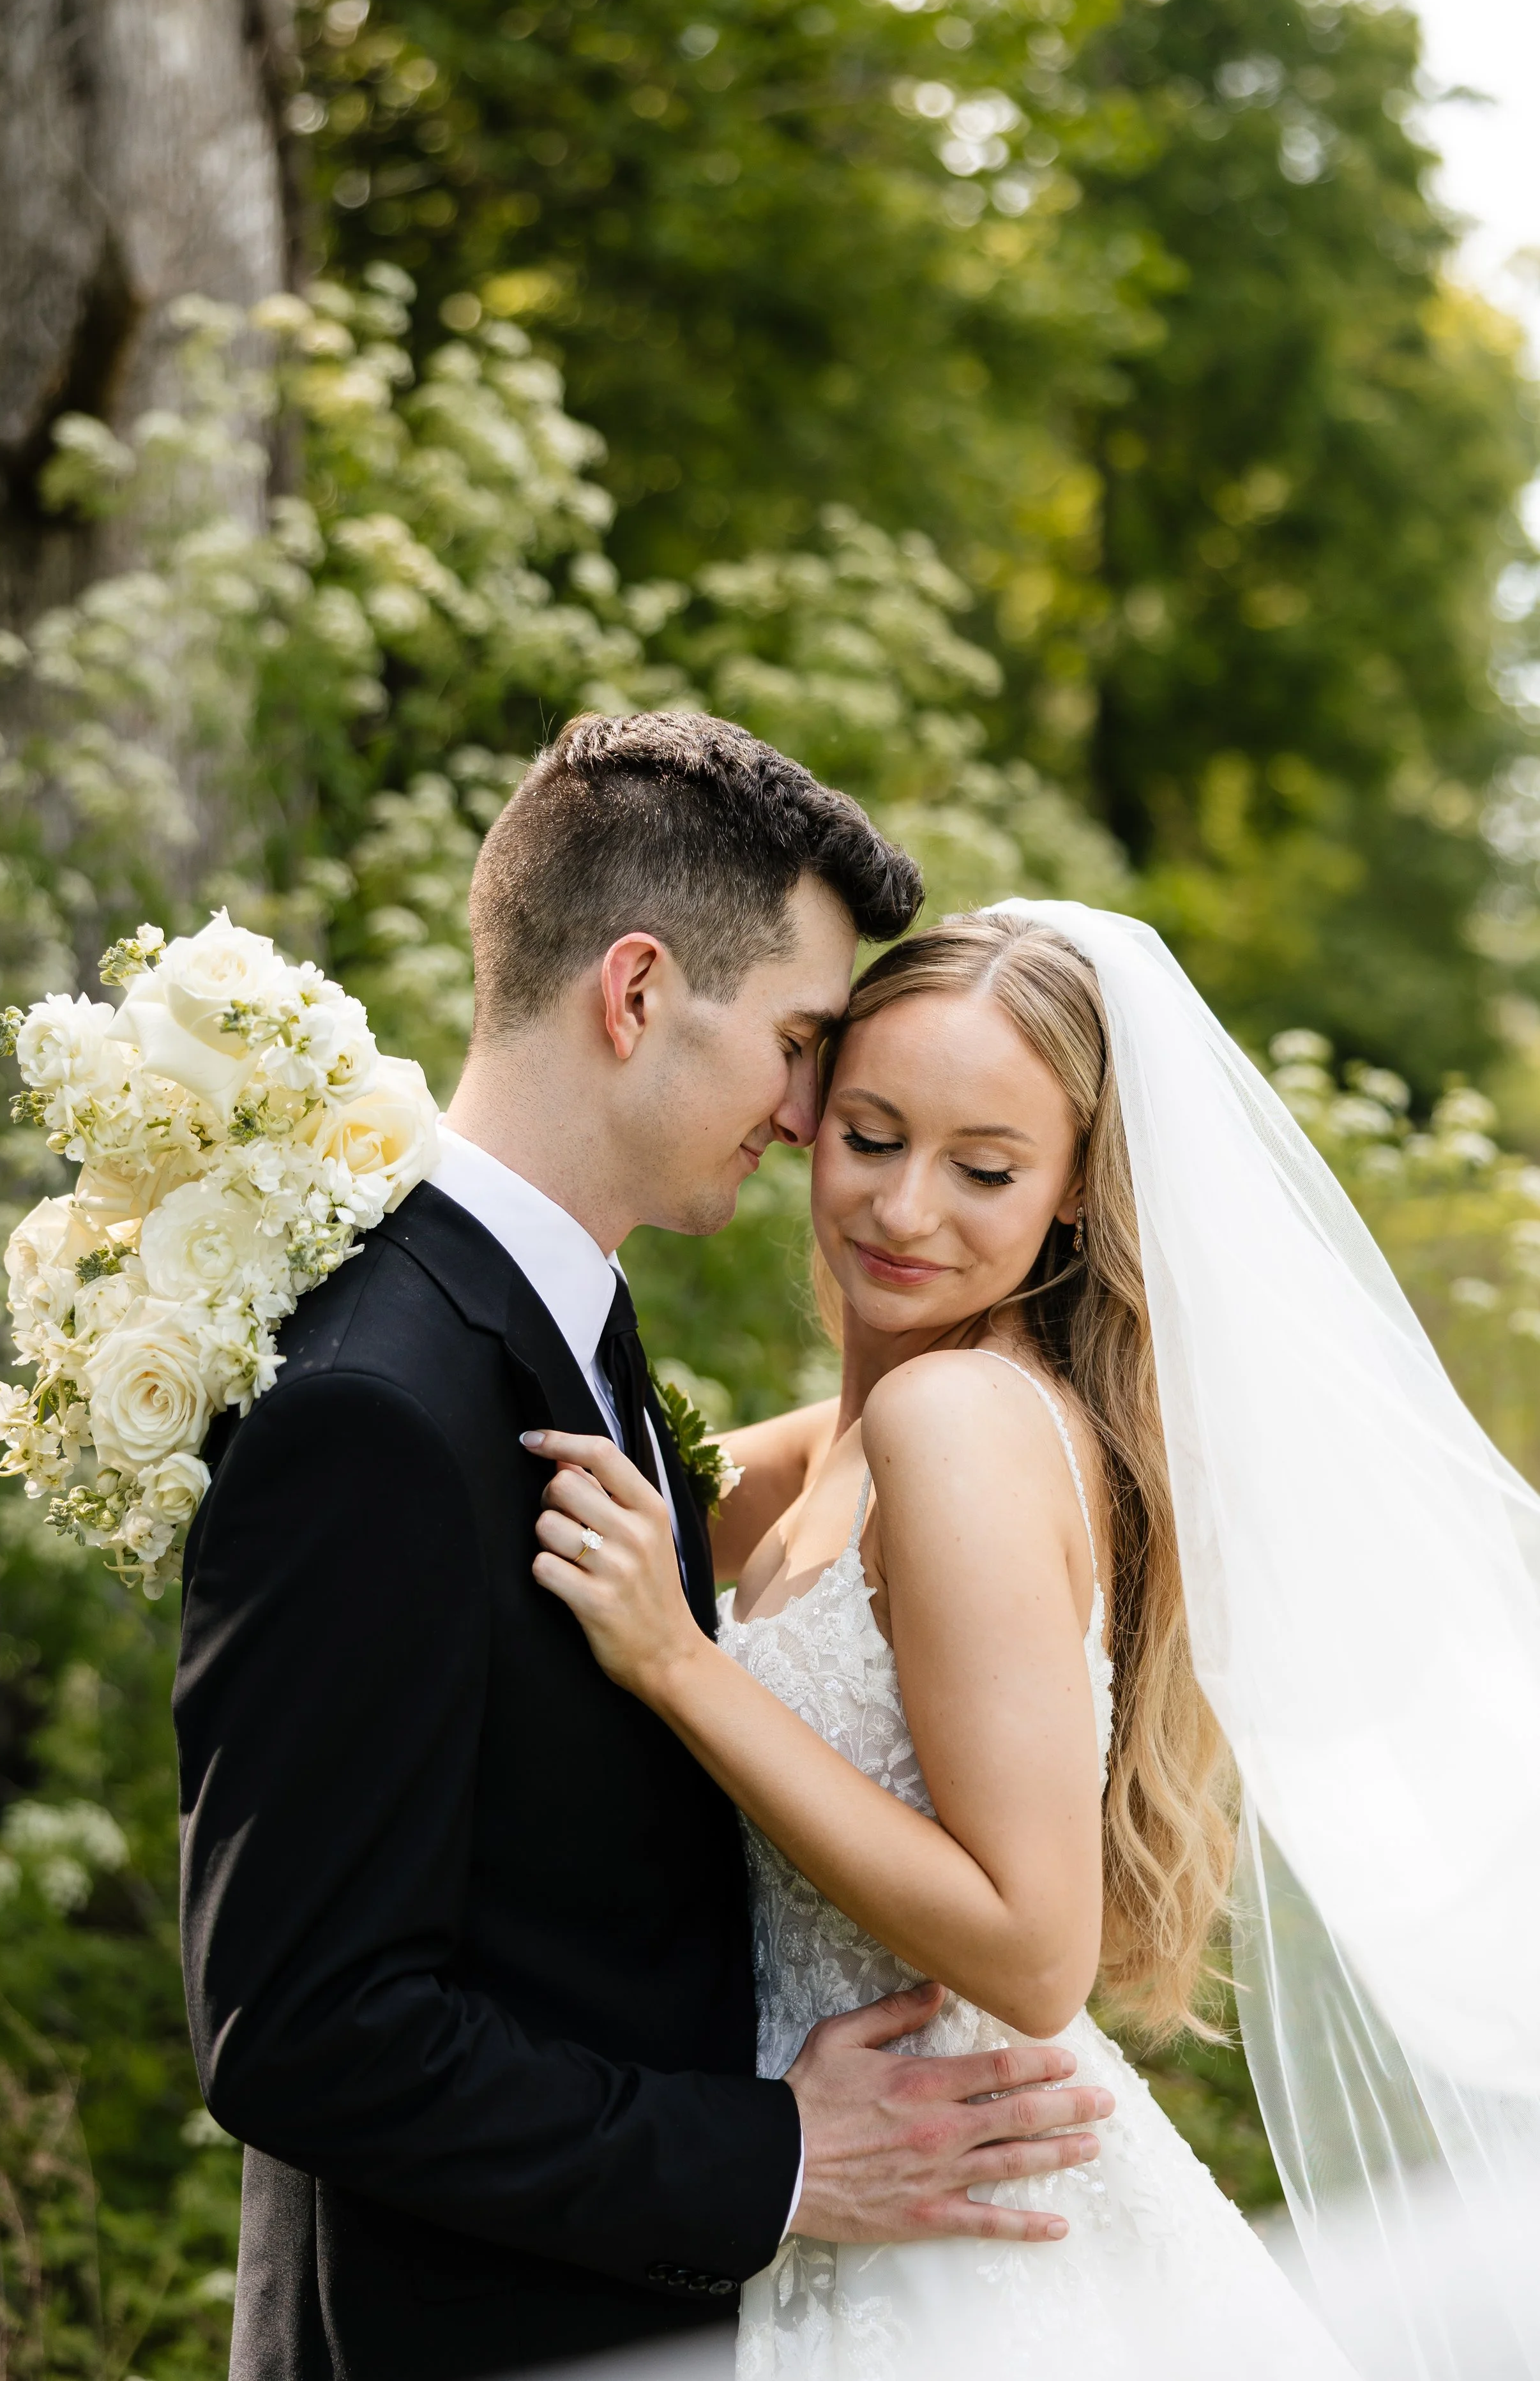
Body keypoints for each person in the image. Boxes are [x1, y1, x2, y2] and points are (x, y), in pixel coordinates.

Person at [172, 724, 1115, 2381]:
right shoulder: (377, 1402)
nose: (816, 1114)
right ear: (633, 993)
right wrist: (777, 2156)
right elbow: (305, 2030)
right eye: (801, 1043)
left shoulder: (574, 1326)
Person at [524, 902, 1538, 2378]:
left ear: (1072, 1191)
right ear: (804, 1119)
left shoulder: (958, 1426)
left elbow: (1032, 1947)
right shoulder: (849, 1442)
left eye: (985, 1169)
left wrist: (679, 1665)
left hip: (962, 2239)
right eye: (869, 1137)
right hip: (853, 2187)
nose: (903, 1210)